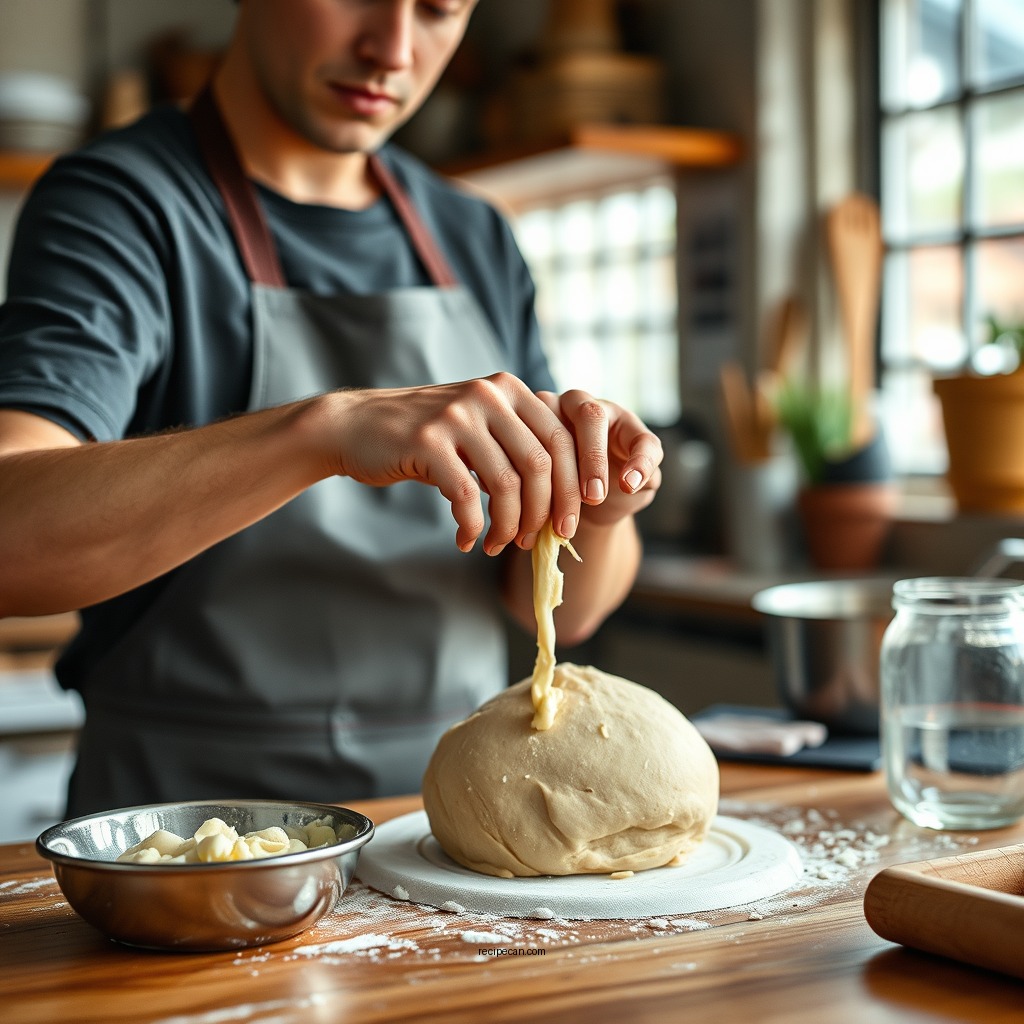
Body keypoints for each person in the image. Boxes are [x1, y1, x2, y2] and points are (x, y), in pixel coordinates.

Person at [0, 0, 663, 816]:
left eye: (438, 11)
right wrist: (323, 432)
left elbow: (567, 606)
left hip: (456, 830)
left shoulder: (475, 236)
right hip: (188, 840)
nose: (391, 49)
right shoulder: (124, 206)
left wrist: (600, 506)